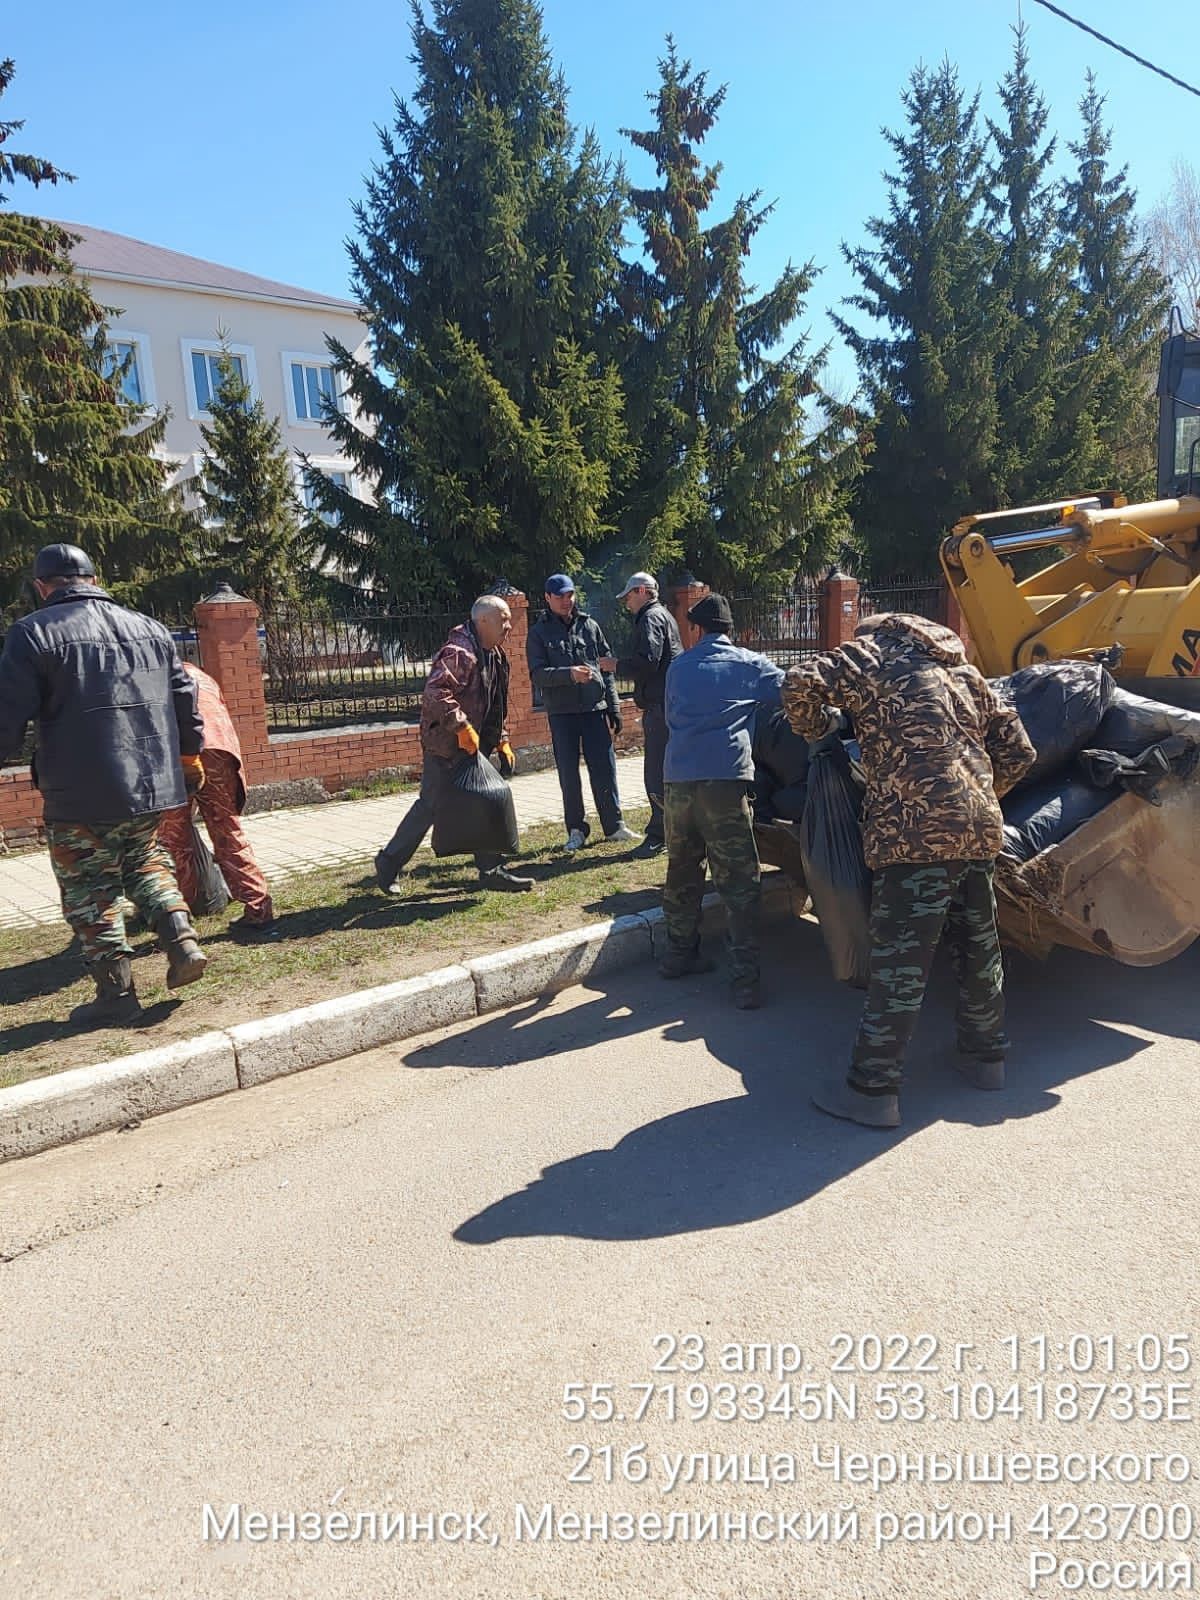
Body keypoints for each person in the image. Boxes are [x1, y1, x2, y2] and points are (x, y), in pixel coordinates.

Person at [782, 612, 1036, 1130]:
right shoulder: (965, 674)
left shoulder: (868, 655)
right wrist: (977, 797)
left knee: (901, 964)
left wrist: (820, 730)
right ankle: (985, 1060)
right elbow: (1018, 749)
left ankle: (872, 1090)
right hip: (978, 828)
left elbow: (798, 684)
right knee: (978, 946)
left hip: (913, 834)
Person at [0, 544, 209, 1023]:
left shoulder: (32, 633)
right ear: (96, 579)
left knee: (90, 888)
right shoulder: (150, 629)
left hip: (80, 793)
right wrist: (186, 756)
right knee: (146, 864)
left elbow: (7, 715)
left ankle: (116, 997)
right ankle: (181, 942)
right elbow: (184, 699)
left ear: (40, 587)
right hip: (151, 784)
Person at [660, 592, 785, 1010]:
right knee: (738, 881)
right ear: (729, 630)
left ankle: (678, 955)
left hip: (678, 782)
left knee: (682, 869)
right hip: (725, 784)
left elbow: (670, 716)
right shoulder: (750, 664)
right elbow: (790, 695)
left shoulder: (678, 667)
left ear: (696, 629)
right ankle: (744, 981)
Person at [374, 595, 533, 892]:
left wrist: (502, 740)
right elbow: (435, 693)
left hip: (474, 746)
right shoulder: (460, 652)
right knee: (431, 807)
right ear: (483, 621)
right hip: (445, 746)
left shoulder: (495, 654)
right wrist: (461, 728)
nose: (509, 625)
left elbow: (494, 705)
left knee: (483, 803)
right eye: (504, 619)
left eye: (510, 619)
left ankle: (492, 871)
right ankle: (388, 863)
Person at [157, 662, 279, 940]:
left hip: (179, 754)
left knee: (175, 838)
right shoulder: (201, 674)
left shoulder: (154, 676)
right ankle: (258, 908)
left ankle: (182, 917)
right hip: (219, 751)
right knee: (227, 830)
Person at [527, 573, 639, 851]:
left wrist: (614, 708)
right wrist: (568, 675)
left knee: (605, 768)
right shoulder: (538, 633)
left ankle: (614, 826)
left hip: (594, 710)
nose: (567, 600)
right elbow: (537, 675)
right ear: (548, 598)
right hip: (562, 713)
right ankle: (576, 829)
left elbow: (607, 670)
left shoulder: (589, 626)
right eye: (561, 596)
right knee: (569, 774)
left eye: (570, 595)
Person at [598, 572, 681, 856]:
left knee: (655, 773)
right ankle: (672, 830)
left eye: (629, 596)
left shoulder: (650, 618)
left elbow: (648, 661)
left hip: (660, 707)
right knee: (667, 771)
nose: (626, 603)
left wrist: (615, 665)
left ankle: (659, 834)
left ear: (643, 591)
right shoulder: (664, 615)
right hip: (669, 704)